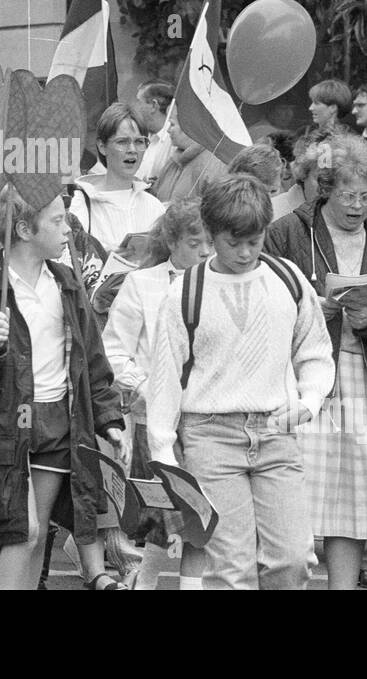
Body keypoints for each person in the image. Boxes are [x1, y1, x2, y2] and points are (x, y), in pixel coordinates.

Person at [147, 174, 335, 589]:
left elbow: (316, 351)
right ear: (212, 235)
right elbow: (164, 379)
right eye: (235, 242)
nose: (247, 252)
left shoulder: (288, 279)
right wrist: (164, 454)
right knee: (231, 571)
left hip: (276, 432)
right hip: (209, 438)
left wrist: (308, 400)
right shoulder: (185, 292)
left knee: (291, 560)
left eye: (256, 240)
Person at [0, 187, 127, 590]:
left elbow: (91, 358)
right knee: (19, 528)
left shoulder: (67, 285)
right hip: (4, 424)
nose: (69, 230)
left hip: (58, 421)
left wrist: (108, 415)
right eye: (58, 221)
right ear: (24, 229)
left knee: (39, 531)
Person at [265, 136, 367, 589]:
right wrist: (309, 310)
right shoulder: (288, 231)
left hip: (364, 379)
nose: (358, 206)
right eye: (349, 195)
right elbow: (262, 303)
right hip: (304, 376)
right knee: (296, 492)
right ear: (325, 187)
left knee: (350, 501)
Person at [103, 198, 212, 589]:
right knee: (162, 509)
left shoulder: (221, 283)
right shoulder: (142, 283)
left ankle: (189, 586)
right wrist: (149, 386)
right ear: (171, 240)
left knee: (202, 508)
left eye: (211, 243)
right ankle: (142, 582)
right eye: (194, 243)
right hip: (156, 416)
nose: (204, 252)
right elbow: (114, 352)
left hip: (207, 413)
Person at [75, 103, 165, 253]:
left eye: (139, 142)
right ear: (102, 146)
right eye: (122, 142)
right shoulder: (80, 204)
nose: (132, 150)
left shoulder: (154, 207)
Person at [153, 105, 229, 203]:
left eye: (172, 124)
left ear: (188, 127)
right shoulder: (174, 160)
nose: (168, 130)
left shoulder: (214, 167)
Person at [133, 80, 175, 190]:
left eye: (138, 102)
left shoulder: (173, 142)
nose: (135, 108)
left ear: (153, 106)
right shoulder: (147, 138)